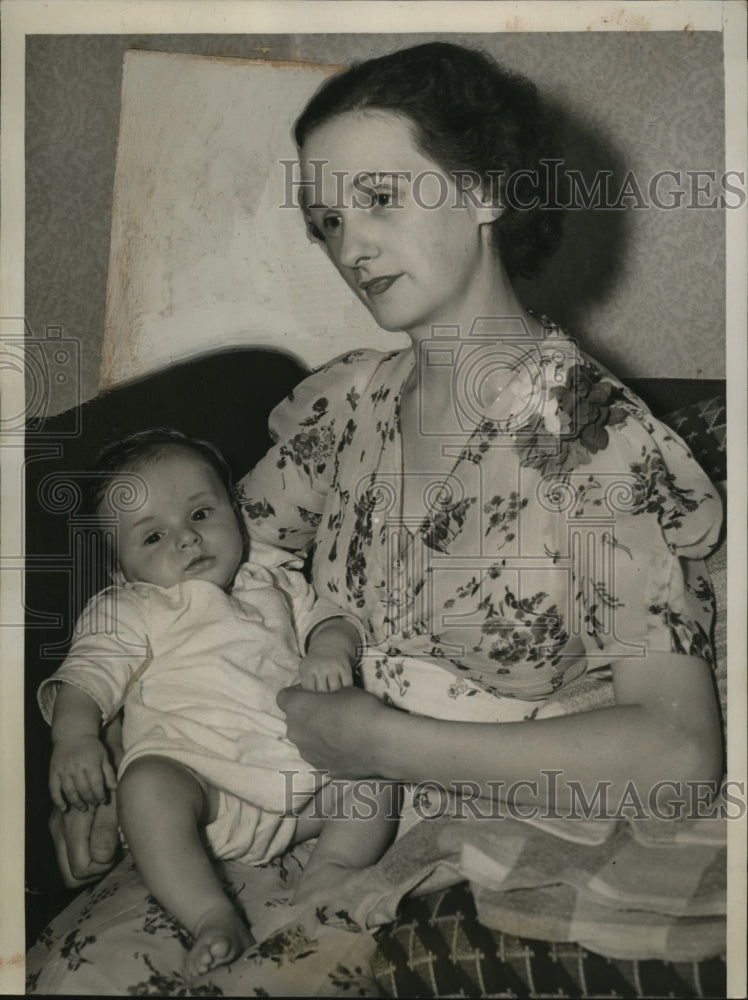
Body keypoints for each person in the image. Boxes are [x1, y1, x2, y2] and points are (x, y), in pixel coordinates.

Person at [52, 37, 723, 944]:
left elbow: (679, 761)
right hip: (307, 808)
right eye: (327, 221)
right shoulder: (346, 404)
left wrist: (379, 743)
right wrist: (119, 756)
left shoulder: (591, 442)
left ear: (485, 188)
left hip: (517, 834)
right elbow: (192, 566)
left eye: (378, 198)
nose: (350, 246)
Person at [38, 429, 396, 978]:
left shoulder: (271, 582)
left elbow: (331, 618)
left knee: (375, 778)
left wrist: (329, 647)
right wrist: (76, 739)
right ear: (119, 570)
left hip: (297, 786)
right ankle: (210, 913)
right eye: (153, 536)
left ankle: (330, 869)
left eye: (201, 515)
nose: (186, 539)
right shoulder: (131, 608)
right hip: (202, 794)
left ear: (233, 511)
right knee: (147, 786)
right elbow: (85, 677)